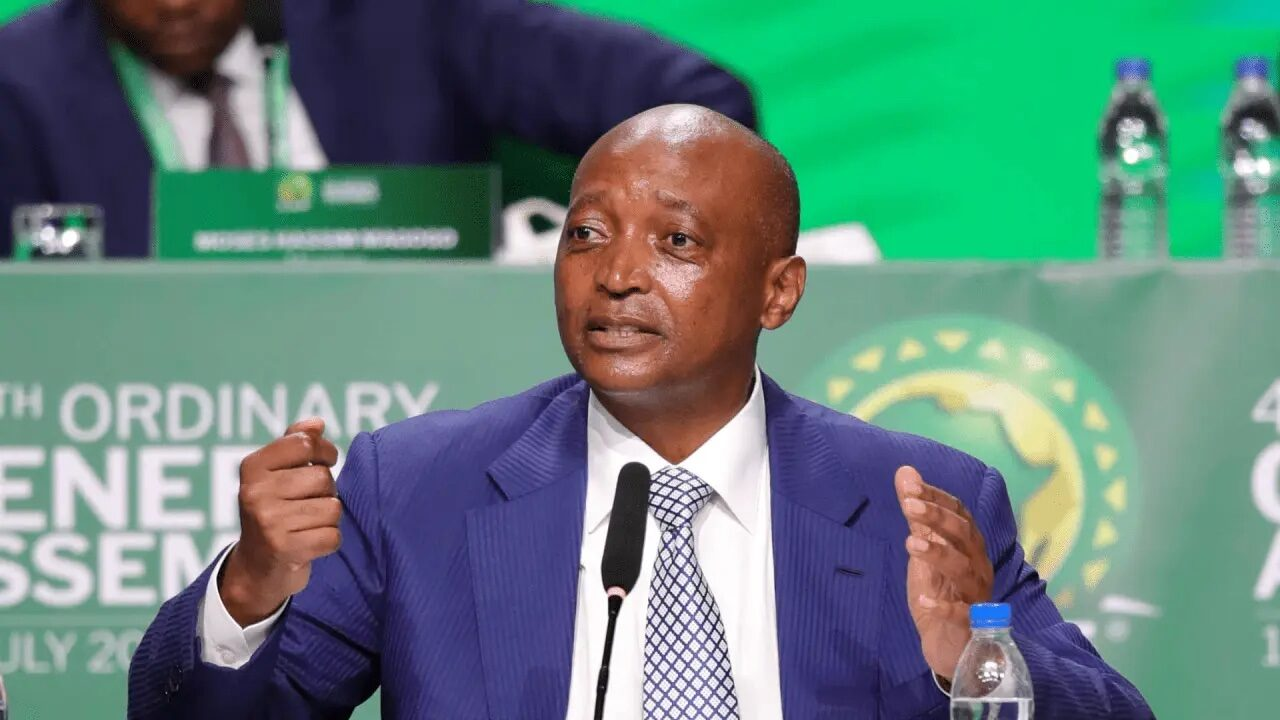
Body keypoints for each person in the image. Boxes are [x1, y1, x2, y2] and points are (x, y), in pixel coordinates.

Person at [127, 105, 1152, 719]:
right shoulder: (415, 486)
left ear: (778, 292)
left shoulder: (916, 501)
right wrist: (248, 590)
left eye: (676, 243)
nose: (615, 275)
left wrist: (974, 663)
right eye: (585, 234)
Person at [0, 0, 755, 258]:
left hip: (414, 394)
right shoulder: (21, 83)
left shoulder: (404, 20)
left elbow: (700, 104)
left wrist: (606, 244)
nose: (174, 4)